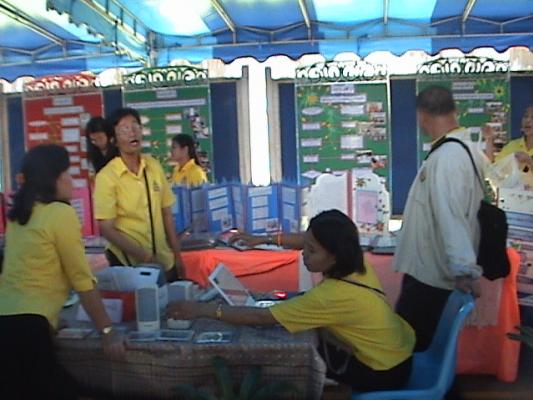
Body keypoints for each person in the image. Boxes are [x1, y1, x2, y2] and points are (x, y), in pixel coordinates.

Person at [168, 210, 415, 392]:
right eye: (306, 246)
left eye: (312, 251)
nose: (304, 254)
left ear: (333, 256)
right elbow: (305, 239)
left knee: (289, 359)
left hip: (383, 372)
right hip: (398, 352)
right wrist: (262, 240)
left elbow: (260, 317)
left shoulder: (331, 296)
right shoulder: (355, 263)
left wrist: (203, 310)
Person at [0, 144, 126, 399]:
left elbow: (22, 276)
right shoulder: (60, 213)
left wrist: (52, 319)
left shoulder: (18, 216)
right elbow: (81, 280)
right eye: (67, 173)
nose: (72, 181)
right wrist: (107, 331)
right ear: (53, 179)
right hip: (30, 331)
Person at [393, 85, 484, 352]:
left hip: (431, 278)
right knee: (421, 348)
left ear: (421, 115)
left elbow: (450, 215)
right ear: (455, 110)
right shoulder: (466, 150)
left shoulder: (447, 158)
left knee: (407, 349)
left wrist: (463, 269)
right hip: (433, 274)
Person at [93, 107, 184, 281]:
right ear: (114, 140)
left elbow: (166, 213)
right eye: (125, 129)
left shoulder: (153, 166)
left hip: (164, 260)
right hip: (129, 265)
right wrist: (145, 257)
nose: (132, 132)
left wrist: (177, 255)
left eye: (136, 126)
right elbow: (107, 228)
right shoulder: (107, 177)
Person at [483, 105, 533, 173]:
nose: (528, 120)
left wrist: (530, 161)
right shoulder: (512, 146)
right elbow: (494, 169)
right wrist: (489, 140)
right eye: (526, 116)